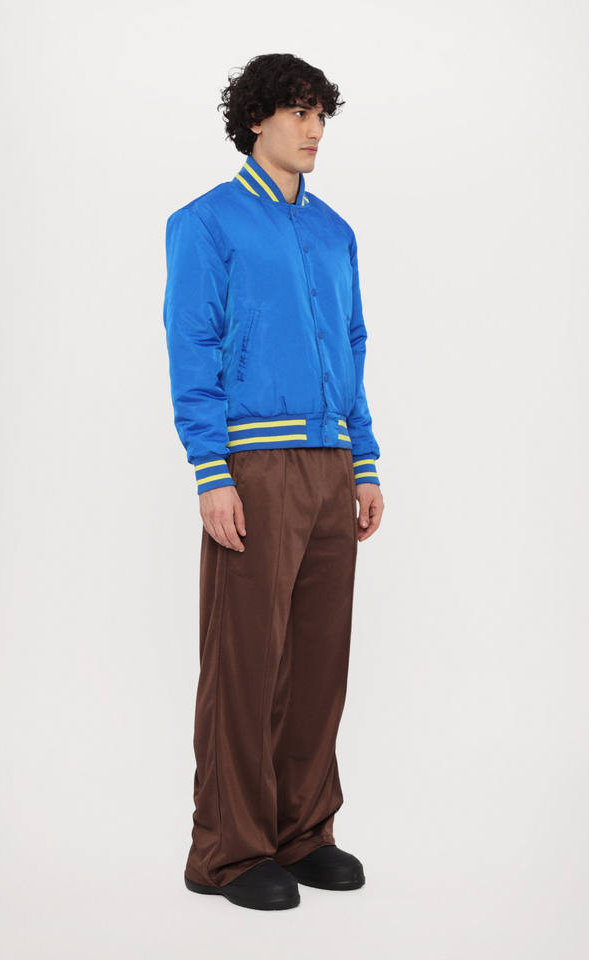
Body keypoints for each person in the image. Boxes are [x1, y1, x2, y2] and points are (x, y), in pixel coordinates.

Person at [162, 53, 384, 911]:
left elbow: (352, 344)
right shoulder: (205, 223)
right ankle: (226, 851)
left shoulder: (334, 232)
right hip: (252, 465)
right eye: (297, 112)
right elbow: (192, 345)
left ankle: (302, 833)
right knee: (245, 660)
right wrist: (209, 470)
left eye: (320, 114)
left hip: (331, 463)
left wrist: (363, 460)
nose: (313, 128)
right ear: (255, 119)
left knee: (318, 660)